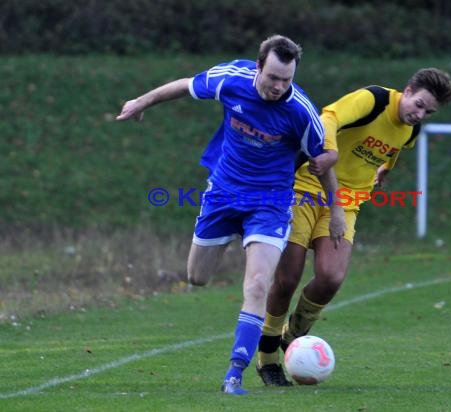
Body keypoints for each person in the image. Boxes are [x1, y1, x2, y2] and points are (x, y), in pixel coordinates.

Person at [116, 34, 346, 395]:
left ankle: (234, 373)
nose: (279, 86)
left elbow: (324, 164)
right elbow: (185, 85)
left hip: (269, 203)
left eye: (287, 79)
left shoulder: (301, 111)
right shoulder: (230, 80)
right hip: (222, 194)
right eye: (273, 78)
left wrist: (337, 212)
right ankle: (241, 239)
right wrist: (141, 101)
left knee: (256, 285)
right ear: (258, 67)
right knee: (197, 277)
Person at [256, 68, 451, 386]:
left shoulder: (411, 131)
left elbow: (391, 152)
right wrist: (331, 154)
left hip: (346, 202)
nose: (419, 114)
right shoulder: (373, 99)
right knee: (288, 277)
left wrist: (382, 172)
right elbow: (328, 118)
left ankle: (291, 336)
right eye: (418, 104)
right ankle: (267, 359)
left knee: (331, 278)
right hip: (302, 189)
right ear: (406, 90)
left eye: (428, 112)